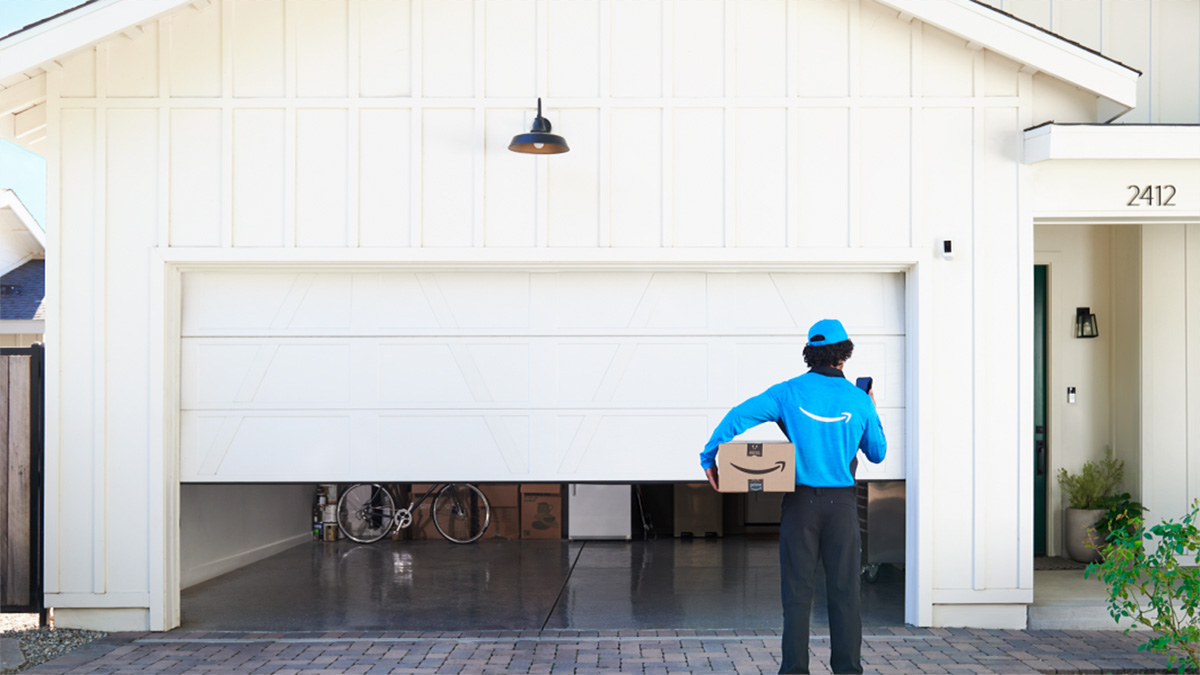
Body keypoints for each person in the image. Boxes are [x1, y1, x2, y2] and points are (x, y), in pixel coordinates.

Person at [699, 318, 886, 675]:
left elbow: (739, 415)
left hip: (800, 506)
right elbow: (877, 453)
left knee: (797, 596)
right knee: (845, 594)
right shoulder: (859, 400)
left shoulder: (787, 392)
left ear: (810, 354)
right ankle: (848, 669)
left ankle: (794, 670)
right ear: (844, 355)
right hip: (843, 506)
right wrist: (871, 408)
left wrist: (710, 456)